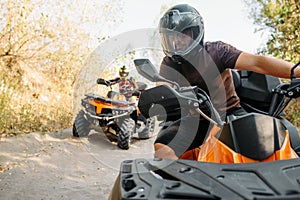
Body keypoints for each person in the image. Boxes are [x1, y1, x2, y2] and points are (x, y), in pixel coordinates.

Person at [154, 4, 297, 160]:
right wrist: (158, 97)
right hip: (198, 120)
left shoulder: (217, 52)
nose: (177, 41)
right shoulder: (169, 63)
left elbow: (257, 63)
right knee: (162, 147)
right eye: (172, 37)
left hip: (230, 113)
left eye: (183, 35)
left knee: (270, 142)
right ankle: (184, 182)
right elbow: (162, 87)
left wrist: (295, 71)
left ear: (195, 32)